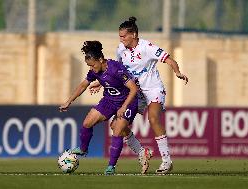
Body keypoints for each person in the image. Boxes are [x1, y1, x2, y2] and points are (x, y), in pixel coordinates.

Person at [90, 17, 188, 174]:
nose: (121, 39)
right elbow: (118, 71)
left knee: (153, 118)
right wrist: (100, 82)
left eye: (124, 36)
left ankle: (166, 161)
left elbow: (169, 60)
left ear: (134, 34)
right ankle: (143, 152)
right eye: (120, 36)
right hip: (135, 92)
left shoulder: (147, 47)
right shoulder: (120, 50)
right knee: (116, 126)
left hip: (153, 89)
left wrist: (177, 72)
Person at [59, 40, 139, 175]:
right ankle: (83, 149)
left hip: (128, 101)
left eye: (93, 65)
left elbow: (133, 89)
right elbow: (83, 85)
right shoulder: (94, 71)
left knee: (117, 129)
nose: (91, 69)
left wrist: (124, 106)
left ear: (101, 59)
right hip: (109, 100)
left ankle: (111, 167)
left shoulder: (116, 68)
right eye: (89, 66)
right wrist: (69, 101)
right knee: (87, 122)